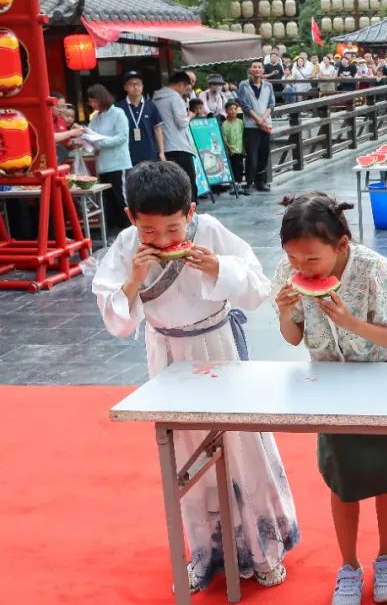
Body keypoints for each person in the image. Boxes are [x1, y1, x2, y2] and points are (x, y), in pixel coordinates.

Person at [91, 160, 299, 593]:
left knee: (241, 447)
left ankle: (265, 549)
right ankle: (206, 554)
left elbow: (257, 288)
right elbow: (116, 320)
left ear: (190, 211)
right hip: (166, 354)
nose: (165, 240)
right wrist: (134, 279)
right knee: (186, 456)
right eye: (150, 231)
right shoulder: (127, 245)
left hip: (217, 346)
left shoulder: (211, 231)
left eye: (174, 228)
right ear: (130, 218)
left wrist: (216, 267)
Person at [271, 192, 387, 605]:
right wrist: (285, 312)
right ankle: (349, 565)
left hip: (382, 374)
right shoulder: (288, 274)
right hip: (332, 382)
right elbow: (293, 337)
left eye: (311, 259)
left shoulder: (377, 270)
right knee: (343, 480)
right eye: (293, 258)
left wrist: (350, 322)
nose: (301, 268)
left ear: (341, 245)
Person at [84, 84, 132, 227]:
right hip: (103, 165)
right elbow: (90, 135)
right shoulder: (95, 117)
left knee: (122, 199)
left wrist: (99, 142)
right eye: (90, 102)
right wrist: (82, 133)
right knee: (109, 201)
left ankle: (130, 228)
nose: (92, 105)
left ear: (101, 98)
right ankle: (113, 232)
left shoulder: (118, 113)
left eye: (94, 101)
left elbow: (122, 137)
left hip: (119, 163)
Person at [153, 70, 198, 199]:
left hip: (163, 147)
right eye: (187, 87)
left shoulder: (155, 98)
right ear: (181, 84)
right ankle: (190, 208)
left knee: (172, 184)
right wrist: (190, 116)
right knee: (188, 183)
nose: (186, 90)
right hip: (180, 146)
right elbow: (181, 123)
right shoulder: (175, 98)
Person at [236, 60, 274, 193]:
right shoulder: (244, 85)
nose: (257, 69)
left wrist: (263, 120)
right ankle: (249, 182)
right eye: (254, 67)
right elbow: (244, 104)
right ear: (250, 70)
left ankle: (260, 182)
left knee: (264, 153)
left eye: (259, 67)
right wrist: (258, 120)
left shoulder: (268, 85)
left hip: (265, 124)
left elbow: (271, 104)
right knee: (252, 155)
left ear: (263, 70)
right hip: (251, 125)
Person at [118, 72, 164, 166]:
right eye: (132, 84)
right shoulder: (118, 108)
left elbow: (157, 129)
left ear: (142, 86)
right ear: (125, 87)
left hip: (150, 154)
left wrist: (161, 152)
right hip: (127, 156)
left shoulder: (151, 106)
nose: (136, 87)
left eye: (138, 84)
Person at [51, 92, 82, 164]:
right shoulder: (44, 120)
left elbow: (66, 144)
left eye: (64, 107)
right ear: (50, 105)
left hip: (60, 160)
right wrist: (71, 133)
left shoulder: (61, 121)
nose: (62, 110)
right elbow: (50, 137)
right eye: (59, 107)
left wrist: (76, 142)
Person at [221, 100, 245, 188]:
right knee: (233, 167)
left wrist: (244, 148)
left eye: (235, 109)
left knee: (240, 167)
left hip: (240, 149)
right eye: (230, 109)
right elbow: (224, 139)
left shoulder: (241, 122)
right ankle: (234, 184)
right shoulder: (225, 124)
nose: (233, 111)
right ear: (226, 111)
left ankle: (238, 184)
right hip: (231, 150)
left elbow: (243, 135)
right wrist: (229, 149)